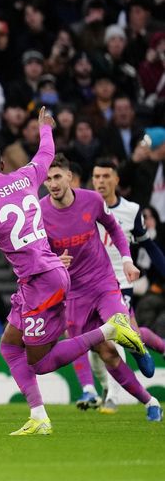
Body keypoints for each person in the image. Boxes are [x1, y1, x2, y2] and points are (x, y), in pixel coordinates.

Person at [0, 109, 151, 435]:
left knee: (40, 362)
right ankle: (39, 416)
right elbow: (46, 153)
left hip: (41, 280)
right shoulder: (24, 177)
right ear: (1, 165)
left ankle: (109, 330)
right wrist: (45, 128)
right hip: (41, 277)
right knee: (9, 344)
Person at [39, 153, 159, 422]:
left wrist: (127, 260)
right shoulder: (40, 212)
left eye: (57, 176)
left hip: (103, 282)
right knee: (106, 353)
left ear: (69, 176)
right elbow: (37, 252)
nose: (53, 183)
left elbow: (114, 229)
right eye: (47, 179)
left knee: (118, 323)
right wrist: (53, 261)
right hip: (72, 293)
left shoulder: (91, 200)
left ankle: (138, 346)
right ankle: (150, 401)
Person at [76, 159, 165, 412]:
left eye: (106, 176)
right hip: (86, 284)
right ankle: (153, 346)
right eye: (96, 176)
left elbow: (148, 244)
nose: (101, 181)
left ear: (116, 180)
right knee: (94, 346)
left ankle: (114, 397)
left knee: (114, 334)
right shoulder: (83, 207)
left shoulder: (132, 210)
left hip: (119, 284)